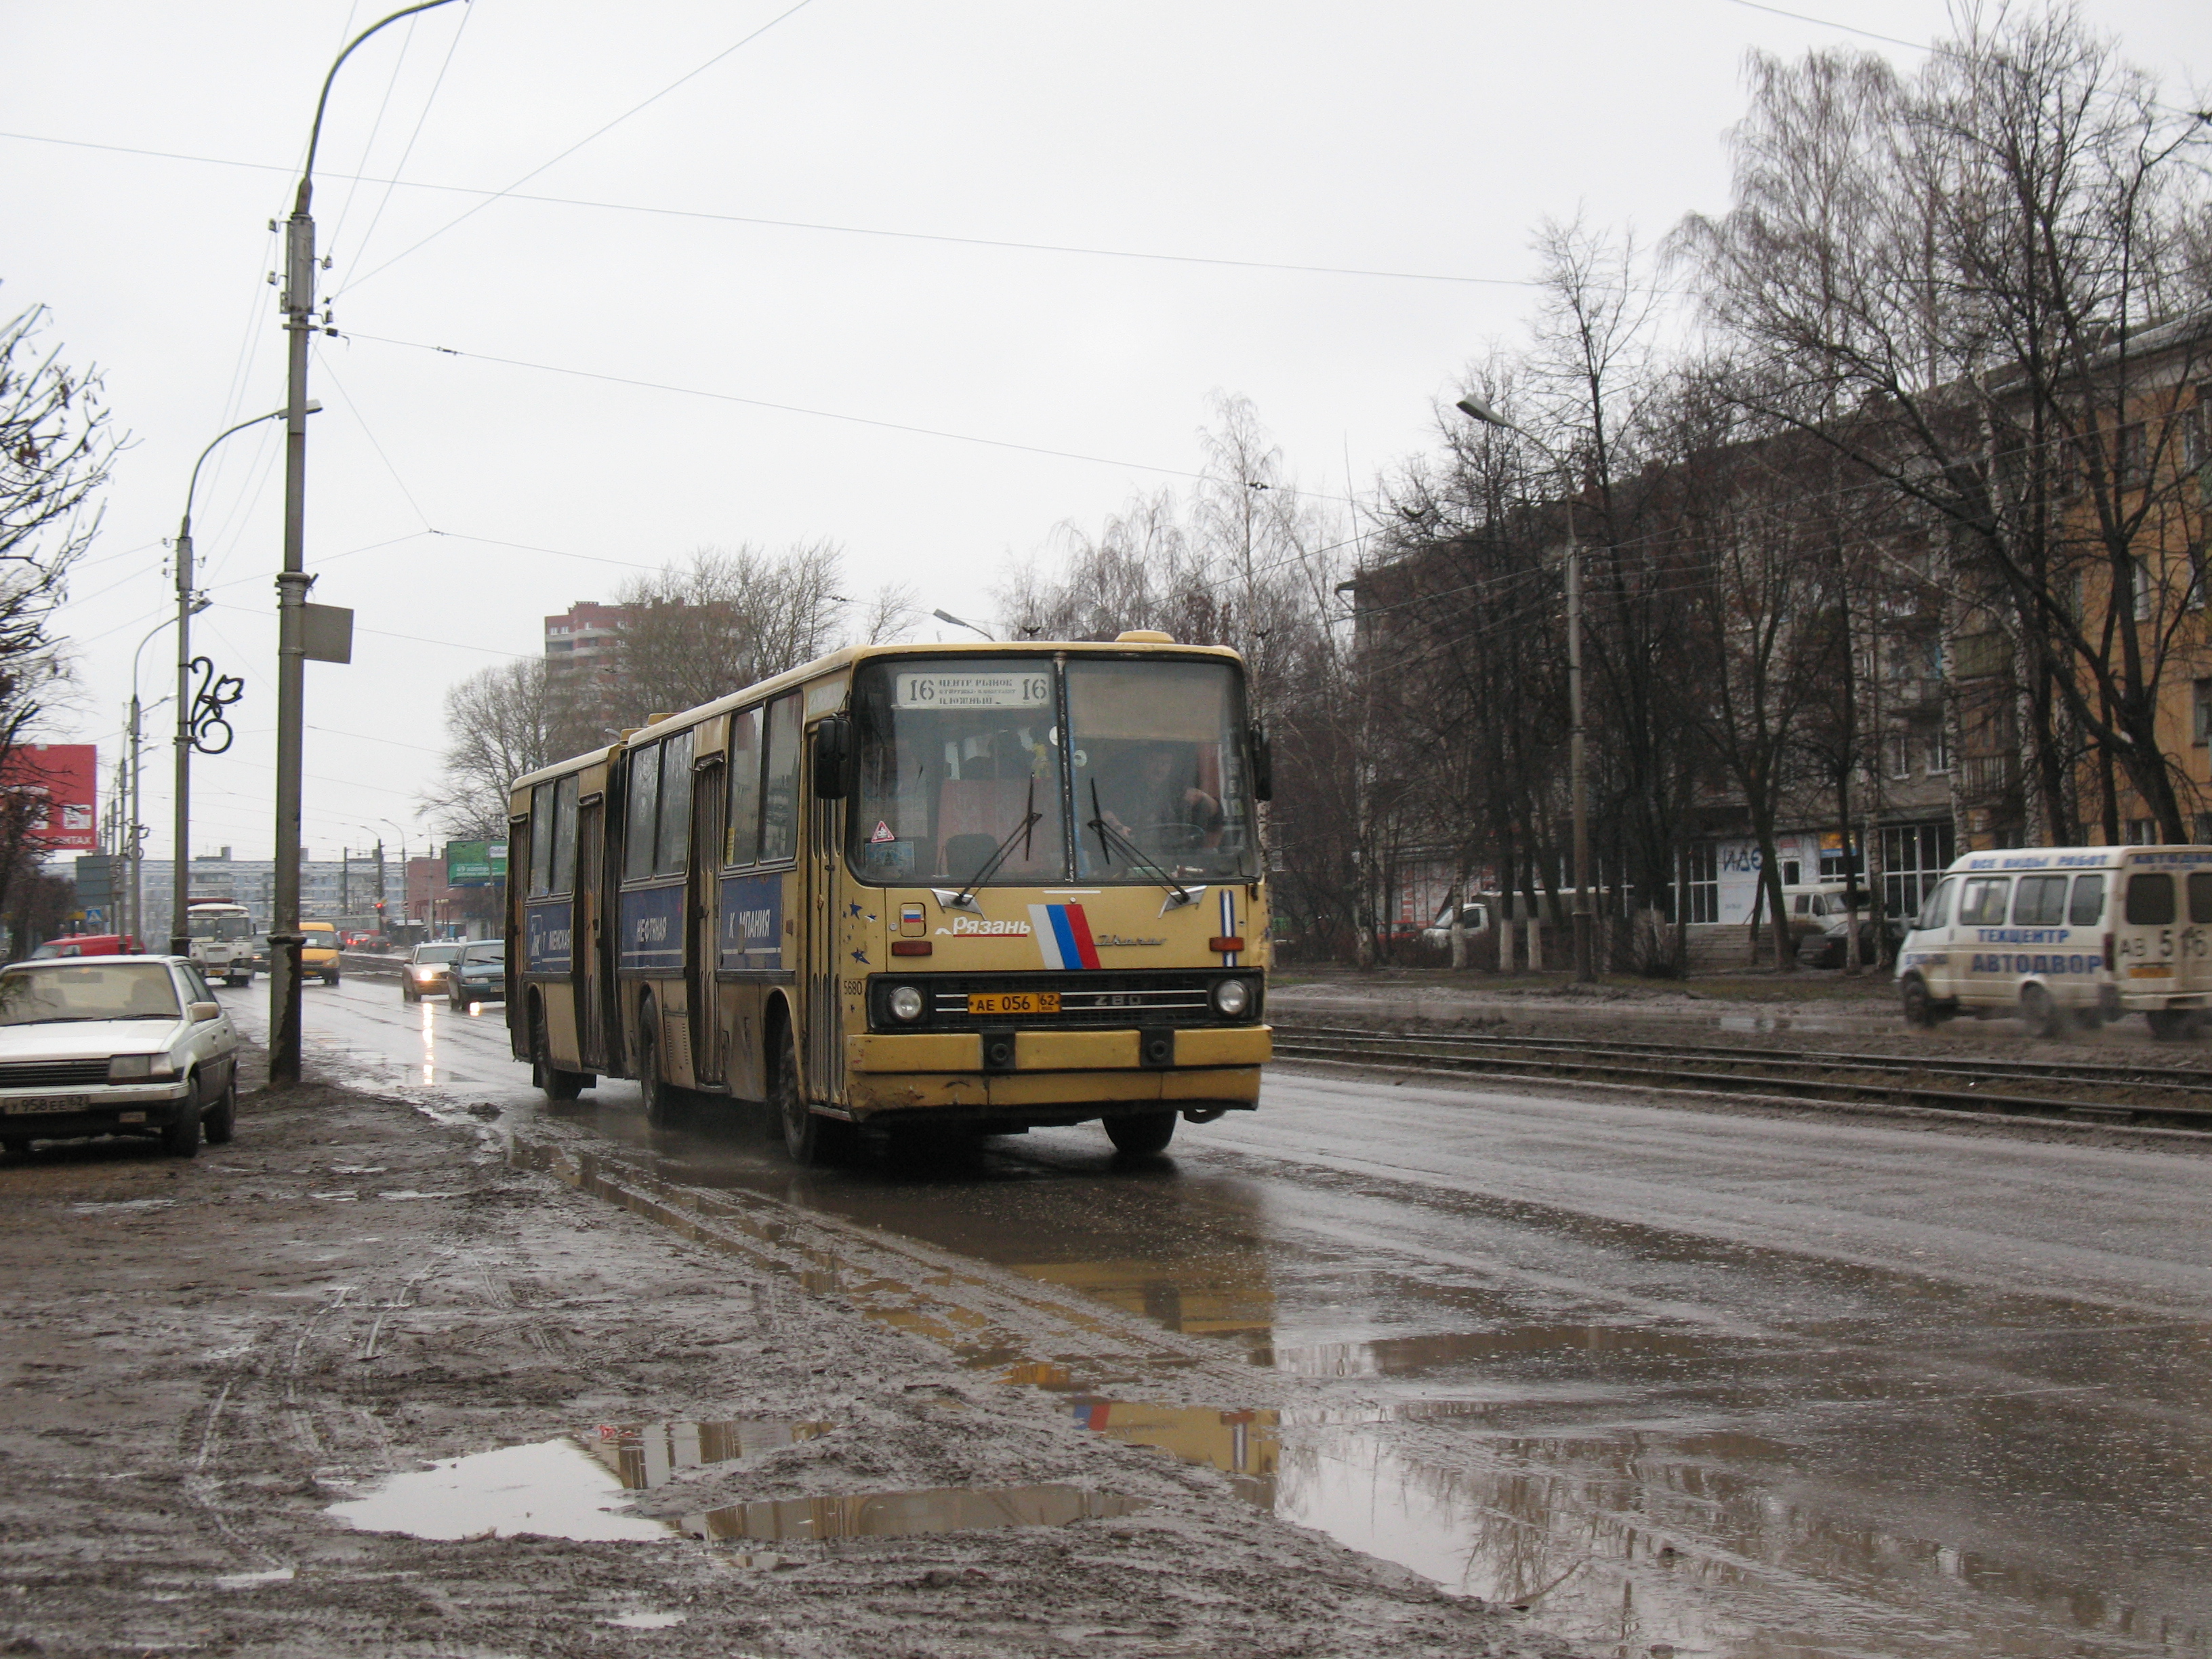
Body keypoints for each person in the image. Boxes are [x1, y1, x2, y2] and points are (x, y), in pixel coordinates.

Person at [1100, 745, 1221, 847]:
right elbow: (1105, 813)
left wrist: (1203, 796)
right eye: (1153, 761)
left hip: (1175, 858)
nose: (1159, 768)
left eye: (1165, 763)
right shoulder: (1125, 791)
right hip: (1134, 855)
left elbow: (1216, 816)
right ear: (1143, 762)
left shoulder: (1179, 793)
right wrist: (1119, 828)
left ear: (1171, 766)